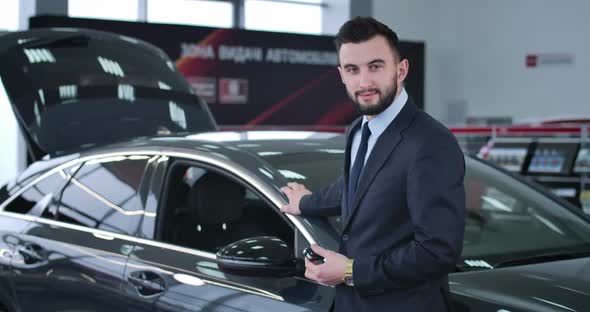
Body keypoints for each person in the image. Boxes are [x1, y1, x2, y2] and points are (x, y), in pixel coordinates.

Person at [280, 17, 465, 312]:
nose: (364, 82)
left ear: (401, 69)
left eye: (375, 67)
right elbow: (359, 184)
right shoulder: (357, 129)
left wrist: (351, 270)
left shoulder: (430, 142)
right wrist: (307, 203)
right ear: (341, 75)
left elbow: (437, 251)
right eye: (353, 70)